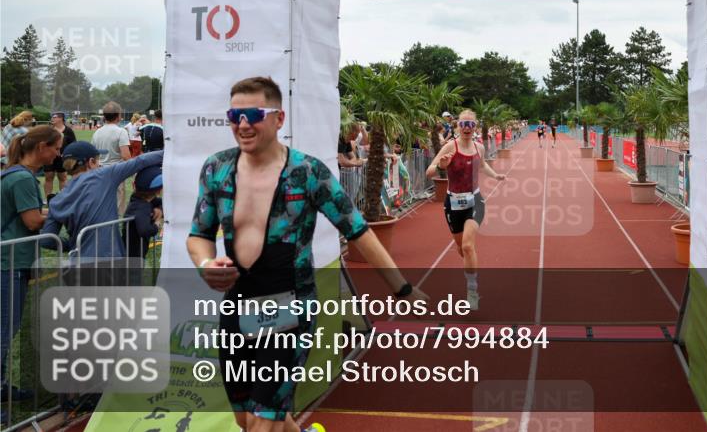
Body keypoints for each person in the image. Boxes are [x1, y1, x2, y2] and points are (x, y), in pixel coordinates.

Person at [187, 76, 426, 432]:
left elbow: (357, 231)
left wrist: (403, 289)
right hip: (237, 306)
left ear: (278, 118)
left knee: (260, 422)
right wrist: (206, 263)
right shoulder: (216, 168)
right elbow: (198, 235)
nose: (242, 124)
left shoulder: (308, 173)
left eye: (253, 113)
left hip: (289, 308)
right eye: (233, 115)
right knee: (245, 418)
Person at [1, 126, 63, 404]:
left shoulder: (15, 174)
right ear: (41, 148)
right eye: (56, 148)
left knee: (6, 329)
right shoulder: (23, 179)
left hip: (13, 262)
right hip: (8, 264)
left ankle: (3, 388)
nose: (58, 154)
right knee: (4, 331)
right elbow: (32, 221)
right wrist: (63, 212)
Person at [426, 109, 506, 311]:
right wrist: (441, 166)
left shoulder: (479, 147)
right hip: (453, 204)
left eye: (471, 124)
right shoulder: (448, 147)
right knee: (462, 249)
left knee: (469, 246)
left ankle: (472, 290)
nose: (467, 128)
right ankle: (470, 267)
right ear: (457, 126)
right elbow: (429, 172)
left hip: (475, 201)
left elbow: (483, 166)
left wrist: (495, 176)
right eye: (463, 124)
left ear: (475, 127)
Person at [42, 143, 163, 261]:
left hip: (77, 263)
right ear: (91, 162)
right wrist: (170, 153)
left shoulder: (56, 200)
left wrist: (74, 245)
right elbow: (141, 161)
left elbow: (46, 240)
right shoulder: (104, 176)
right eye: (98, 160)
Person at [91, 101, 132, 215]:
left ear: (104, 116)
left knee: (103, 200)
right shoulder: (121, 131)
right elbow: (125, 156)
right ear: (119, 116)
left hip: (99, 170)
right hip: (116, 170)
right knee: (118, 202)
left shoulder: (97, 133)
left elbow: (94, 155)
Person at [122, 164, 163, 261]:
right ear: (159, 190)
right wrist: (157, 223)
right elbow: (145, 230)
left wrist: (159, 210)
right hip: (133, 257)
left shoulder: (139, 200)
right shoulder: (142, 207)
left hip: (133, 253)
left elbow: (163, 204)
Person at [44, 111, 77, 200]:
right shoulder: (49, 130)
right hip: (49, 157)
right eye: (52, 117)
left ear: (61, 118)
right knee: (49, 177)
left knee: (63, 177)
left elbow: (73, 145)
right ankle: (48, 199)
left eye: (54, 117)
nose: (52, 119)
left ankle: (63, 199)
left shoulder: (69, 131)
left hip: (62, 159)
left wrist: (66, 154)